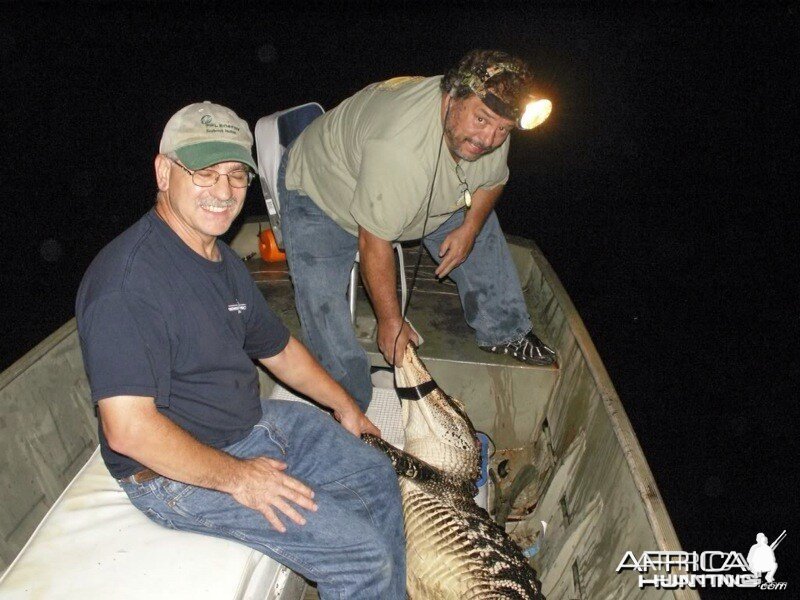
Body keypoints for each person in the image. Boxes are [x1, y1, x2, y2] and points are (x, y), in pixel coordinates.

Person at [75, 101, 406, 599]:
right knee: (360, 554)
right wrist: (239, 480)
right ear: (164, 172)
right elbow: (128, 431)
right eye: (205, 173)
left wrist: (344, 406)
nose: (224, 192)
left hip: (248, 425)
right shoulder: (127, 285)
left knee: (376, 474)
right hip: (173, 473)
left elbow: (279, 349)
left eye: (236, 175)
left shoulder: (218, 257)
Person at [279, 49, 557, 412]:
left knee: (483, 228)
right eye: (481, 120)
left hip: (408, 192)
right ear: (452, 95)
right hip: (322, 191)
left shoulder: (492, 121)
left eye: (502, 130)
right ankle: (347, 401)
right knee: (321, 299)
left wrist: (470, 228)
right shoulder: (401, 150)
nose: (488, 139)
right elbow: (373, 240)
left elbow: (493, 181)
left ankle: (504, 330)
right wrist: (391, 322)